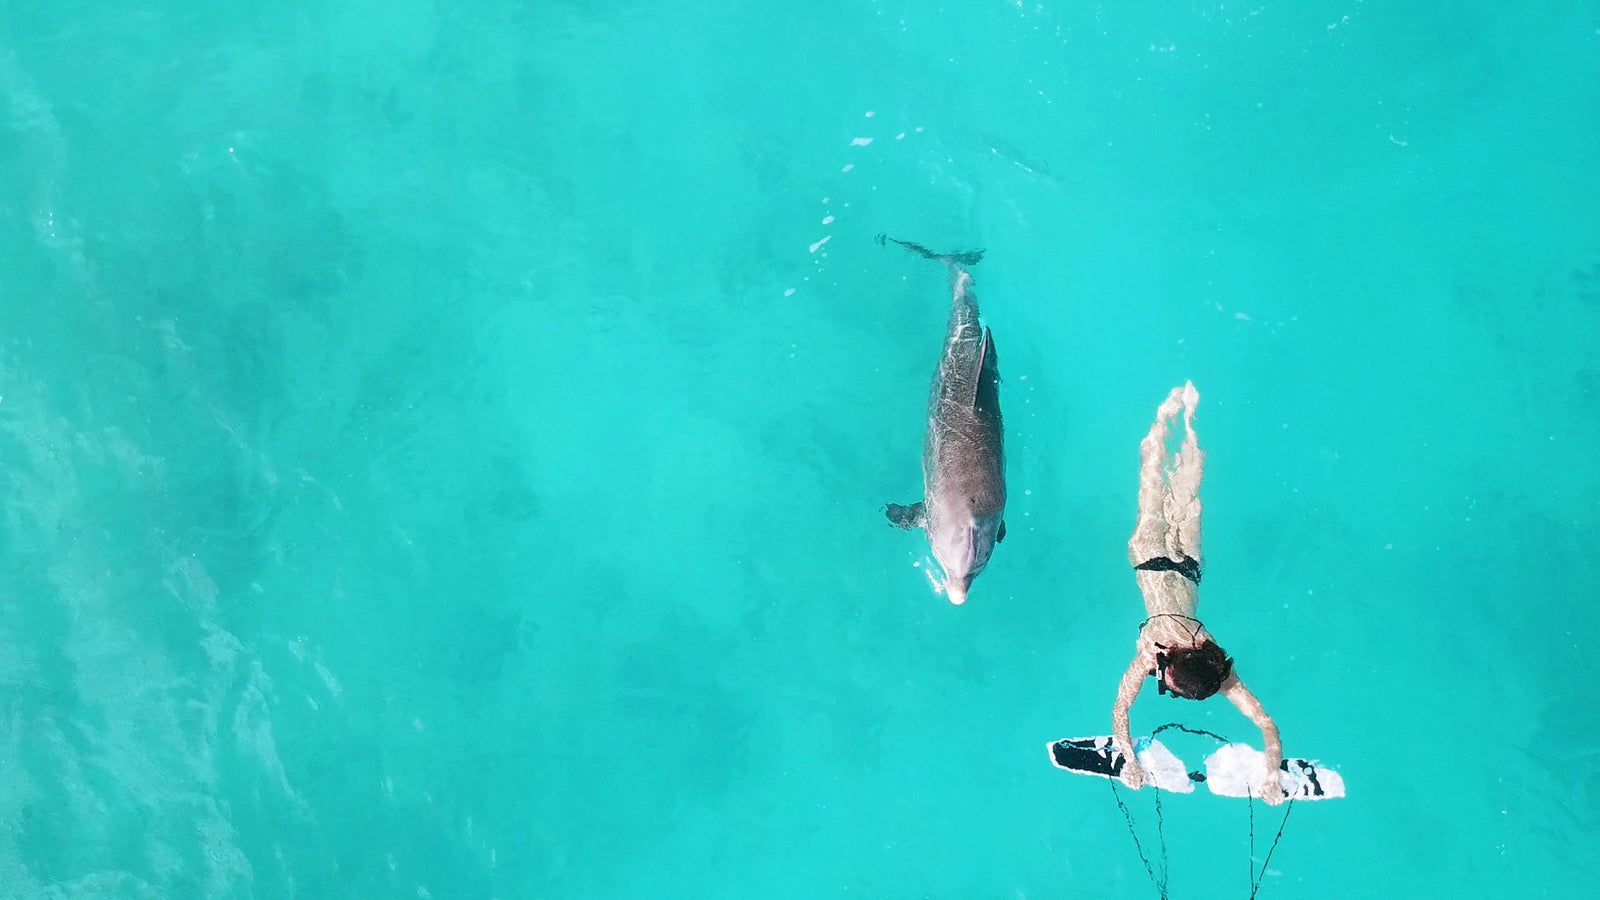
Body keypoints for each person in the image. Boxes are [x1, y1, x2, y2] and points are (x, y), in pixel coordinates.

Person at [1111, 382, 1285, 805]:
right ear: (1172, 670)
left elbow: (1267, 725)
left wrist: (1274, 774)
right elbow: (1120, 709)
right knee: (1152, 481)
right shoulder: (1151, 654)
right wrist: (1128, 760)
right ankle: (1170, 415)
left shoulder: (1216, 660)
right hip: (1149, 556)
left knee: (1187, 493)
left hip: (1189, 565)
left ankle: (1183, 415)